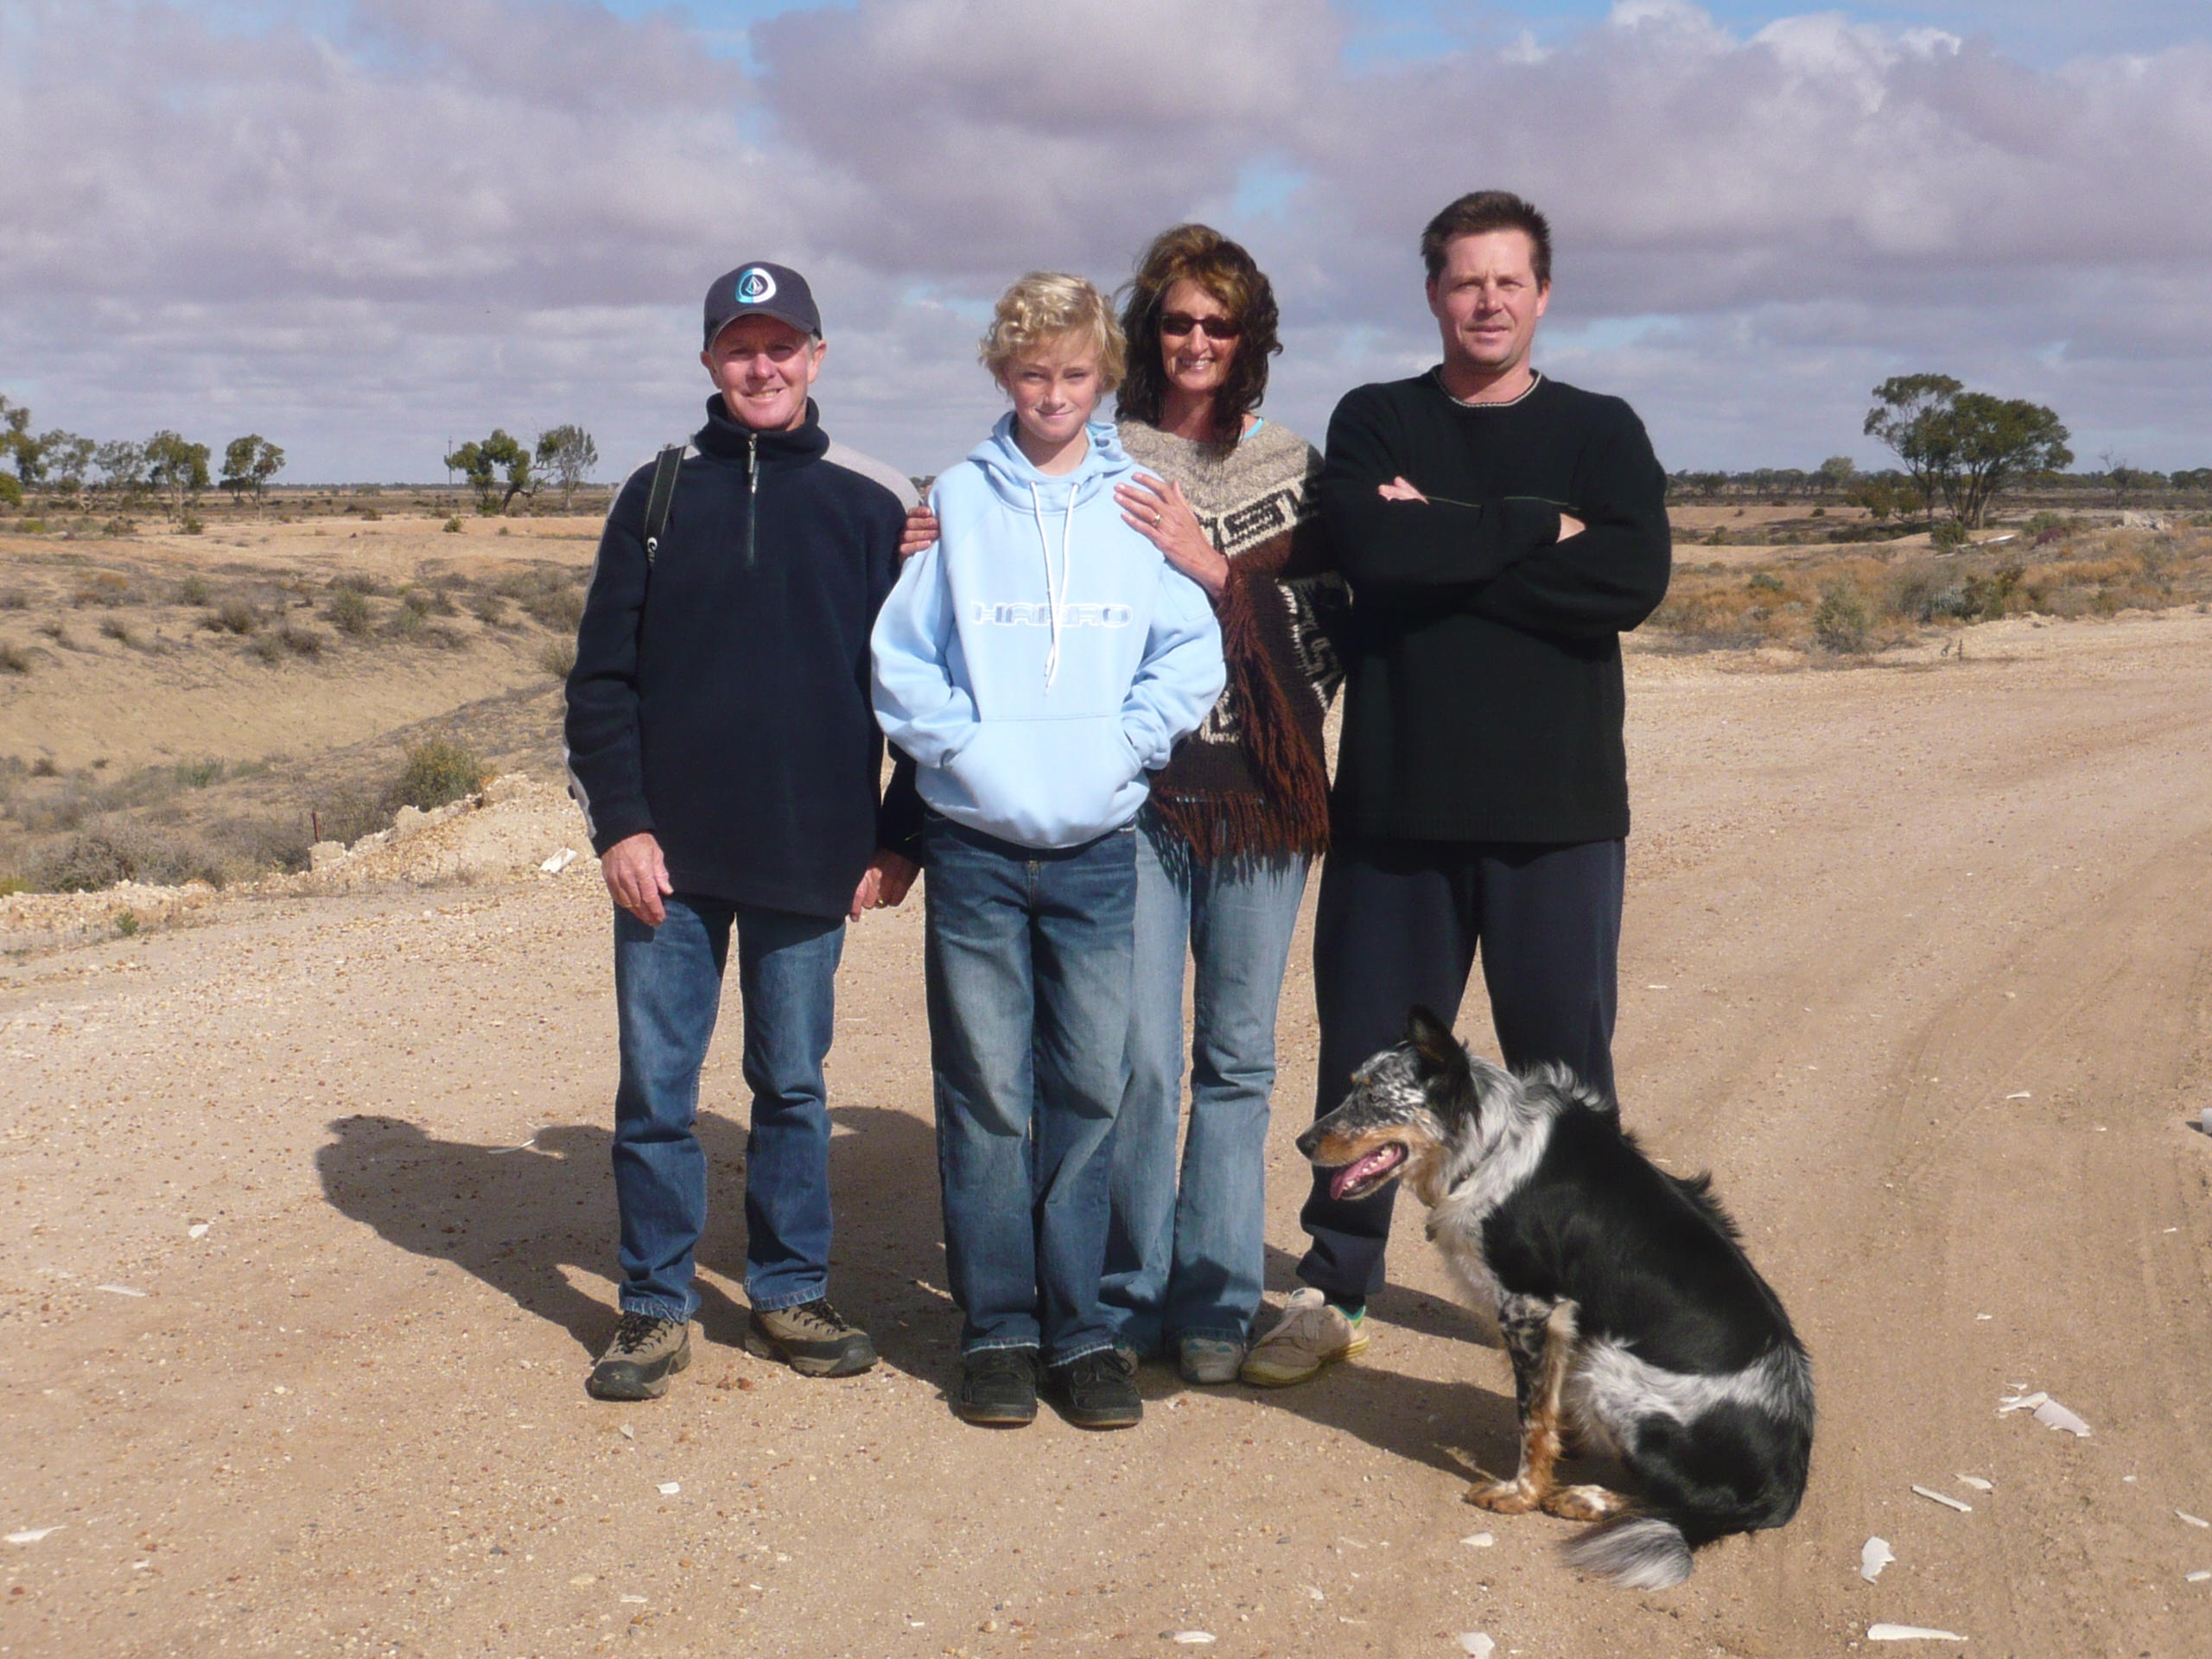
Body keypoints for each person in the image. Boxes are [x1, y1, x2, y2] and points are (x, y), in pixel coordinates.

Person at [1238, 191, 1673, 1388]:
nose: (1487, 301)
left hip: (1558, 819)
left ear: (1543, 294)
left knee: (1564, 1084)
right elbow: (1375, 556)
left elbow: (1631, 581)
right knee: (1368, 1070)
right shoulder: (1379, 418)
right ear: (1434, 292)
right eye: (1465, 280)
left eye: (1508, 281)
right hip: (1396, 815)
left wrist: (1446, 542)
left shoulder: (1601, 430)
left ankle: (1588, 1306)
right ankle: (1335, 1287)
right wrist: (1537, 528)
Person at [870, 272, 1224, 1431]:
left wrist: (1128, 743)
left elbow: (1190, 653)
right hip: (974, 848)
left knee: (1089, 1089)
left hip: (1097, 852)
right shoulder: (958, 501)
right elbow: (904, 659)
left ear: (1105, 376)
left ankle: (1082, 1333)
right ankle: (998, 1330)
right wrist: (965, 751)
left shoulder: (1137, 502)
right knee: (986, 1094)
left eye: (1076, 374)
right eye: (1033, 373)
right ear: (1002, 372)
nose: (1054, 394)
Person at [564, 260, 922, 1402]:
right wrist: (620, 828)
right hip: (666, 864)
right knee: (656, 1096)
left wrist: (900, 837)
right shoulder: (655, 493)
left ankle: (788, 1293)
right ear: (710, 360)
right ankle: (653, 1307)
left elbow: (927, 689)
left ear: (816, 356)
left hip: (814, 855)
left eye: (781, 346)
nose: (760, 368)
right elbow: (600, 683)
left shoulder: (877, 500)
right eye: (739, 348)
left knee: (793, 1087)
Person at [1099, 226, 1344, 1385]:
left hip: (1263, 800)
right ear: (1149, 329)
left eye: (1219, 323)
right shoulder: (1106, 455)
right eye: (1177, 320)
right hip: (1139, 801)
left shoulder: (1296, 468)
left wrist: (1215, 570)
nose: (1196, 341)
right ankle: (1129, 1292)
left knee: (1237, 1058)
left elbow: (1333, 629)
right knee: (1141, 1061)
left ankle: (1215, 1299)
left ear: (1251, 339)